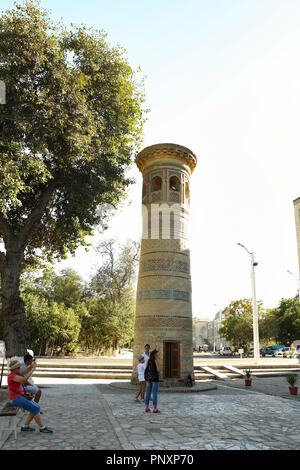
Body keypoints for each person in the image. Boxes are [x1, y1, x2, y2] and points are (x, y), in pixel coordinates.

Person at [7, 359, 53, 434]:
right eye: (18, 368)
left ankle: (25, 426)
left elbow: (24, 371)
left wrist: (31, 366)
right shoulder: (12, 376)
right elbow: (24, 379)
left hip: (19, 397)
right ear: (14, 369)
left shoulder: (15, 374)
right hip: (16, 398)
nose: (19, 369)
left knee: (35, 407)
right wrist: (33, 369)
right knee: (35, 408)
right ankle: (42, 428)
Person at [144, 349, 160, 414]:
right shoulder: (156, 361)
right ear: (154, 355)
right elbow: (158, 370)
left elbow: (146, 368)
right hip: (155, 379)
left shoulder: (148, 360)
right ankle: (155, 408)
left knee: (148, 392)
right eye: (157, 354)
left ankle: (147, 407)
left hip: (149, 379)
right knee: (155, 393)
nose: (157, 355)